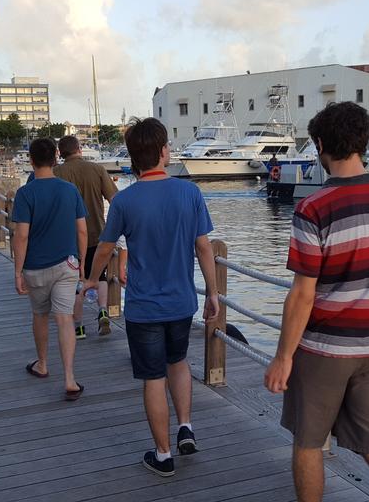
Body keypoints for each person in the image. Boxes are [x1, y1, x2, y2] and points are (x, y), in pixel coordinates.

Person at [264, 102, 369, 502]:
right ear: (363, 142)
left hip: (325, 350)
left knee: (309, 443)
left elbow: (303, 293)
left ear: (319, 144)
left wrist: (283, 356)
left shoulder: (314, 208)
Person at [85, 118, 220, 478]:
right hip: (181, 302)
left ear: (132, 157)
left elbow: (105, 248)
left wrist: (90, 280)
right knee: (178, 363)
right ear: (163, 152)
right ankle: (186, 426)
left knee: (153, 378)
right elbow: (204, 248)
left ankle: (162, 454)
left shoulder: (125, 201)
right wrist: (214, 294)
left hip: (144, 307)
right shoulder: (190, 193)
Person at [11, 138, 87, 400]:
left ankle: (42, 364)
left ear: (31, 160)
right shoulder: (69, 190)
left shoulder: (26, 193)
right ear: (56, 158)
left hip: (35, 267)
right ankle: (69, 378)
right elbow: (82, 230)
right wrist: (82, 262)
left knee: (40, 314)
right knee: (65, 318)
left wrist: (17, 271)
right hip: (67, 264)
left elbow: (21, 236)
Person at [54, 135, 118, 339]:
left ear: (60, 153)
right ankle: (102, 310)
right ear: (79, 149)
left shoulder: (56, 173)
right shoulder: (97, 169)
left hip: (67, 238)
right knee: (99, 276)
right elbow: (114, 199)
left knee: (75, 281)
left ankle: (79, 327)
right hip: (97, 233)